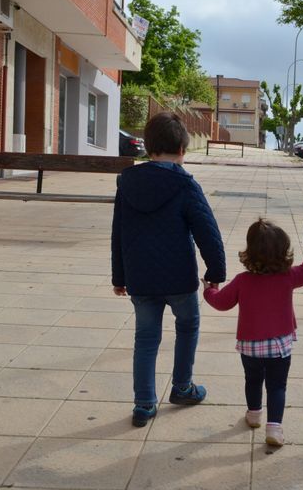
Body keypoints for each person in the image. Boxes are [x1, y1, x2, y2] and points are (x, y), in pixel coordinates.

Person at [111, 112, 226, 427]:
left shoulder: (127, 183)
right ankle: (182, 386)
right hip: (178, 277)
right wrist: (216, 270)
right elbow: (207, 230)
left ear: (149, 149)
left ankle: (144, 404)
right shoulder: (185, 184)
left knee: (146, 338)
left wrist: (119, 276)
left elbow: (118, 232)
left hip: (140, 277)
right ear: (182, 150)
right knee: (187, 326)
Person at [203, 218, 303, 447]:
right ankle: (274, 428)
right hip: (280, 345)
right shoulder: (289, 277)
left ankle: (254, 415)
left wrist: (209, 290)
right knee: (277, 385)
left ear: (250, 251)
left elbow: (221, 303)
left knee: (253, 380)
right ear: (284, 251)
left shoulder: (242, 281)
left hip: (250, 345)